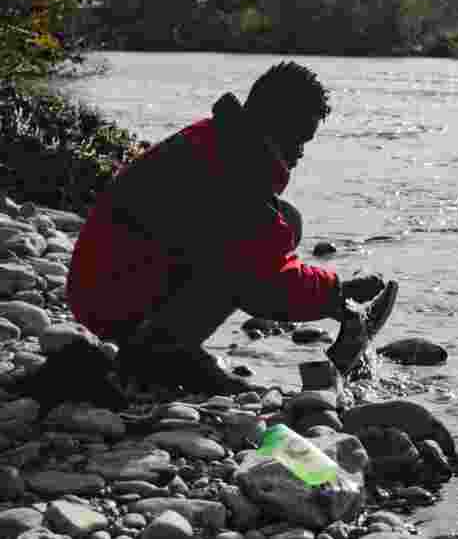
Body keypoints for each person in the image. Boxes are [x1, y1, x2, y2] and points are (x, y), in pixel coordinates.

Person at [67, 61, 396, 395]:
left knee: (285, 220)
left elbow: (261, 245)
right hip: (110, 297)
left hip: (110, 276)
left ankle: (164, 344)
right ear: (272, 126)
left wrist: (332, 297)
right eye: (297, 139)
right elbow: (267, 282)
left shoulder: (222, 139)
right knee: (239, 265)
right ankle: (162, 352)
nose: (299, 153)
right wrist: (338, 293)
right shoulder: (232, 174)